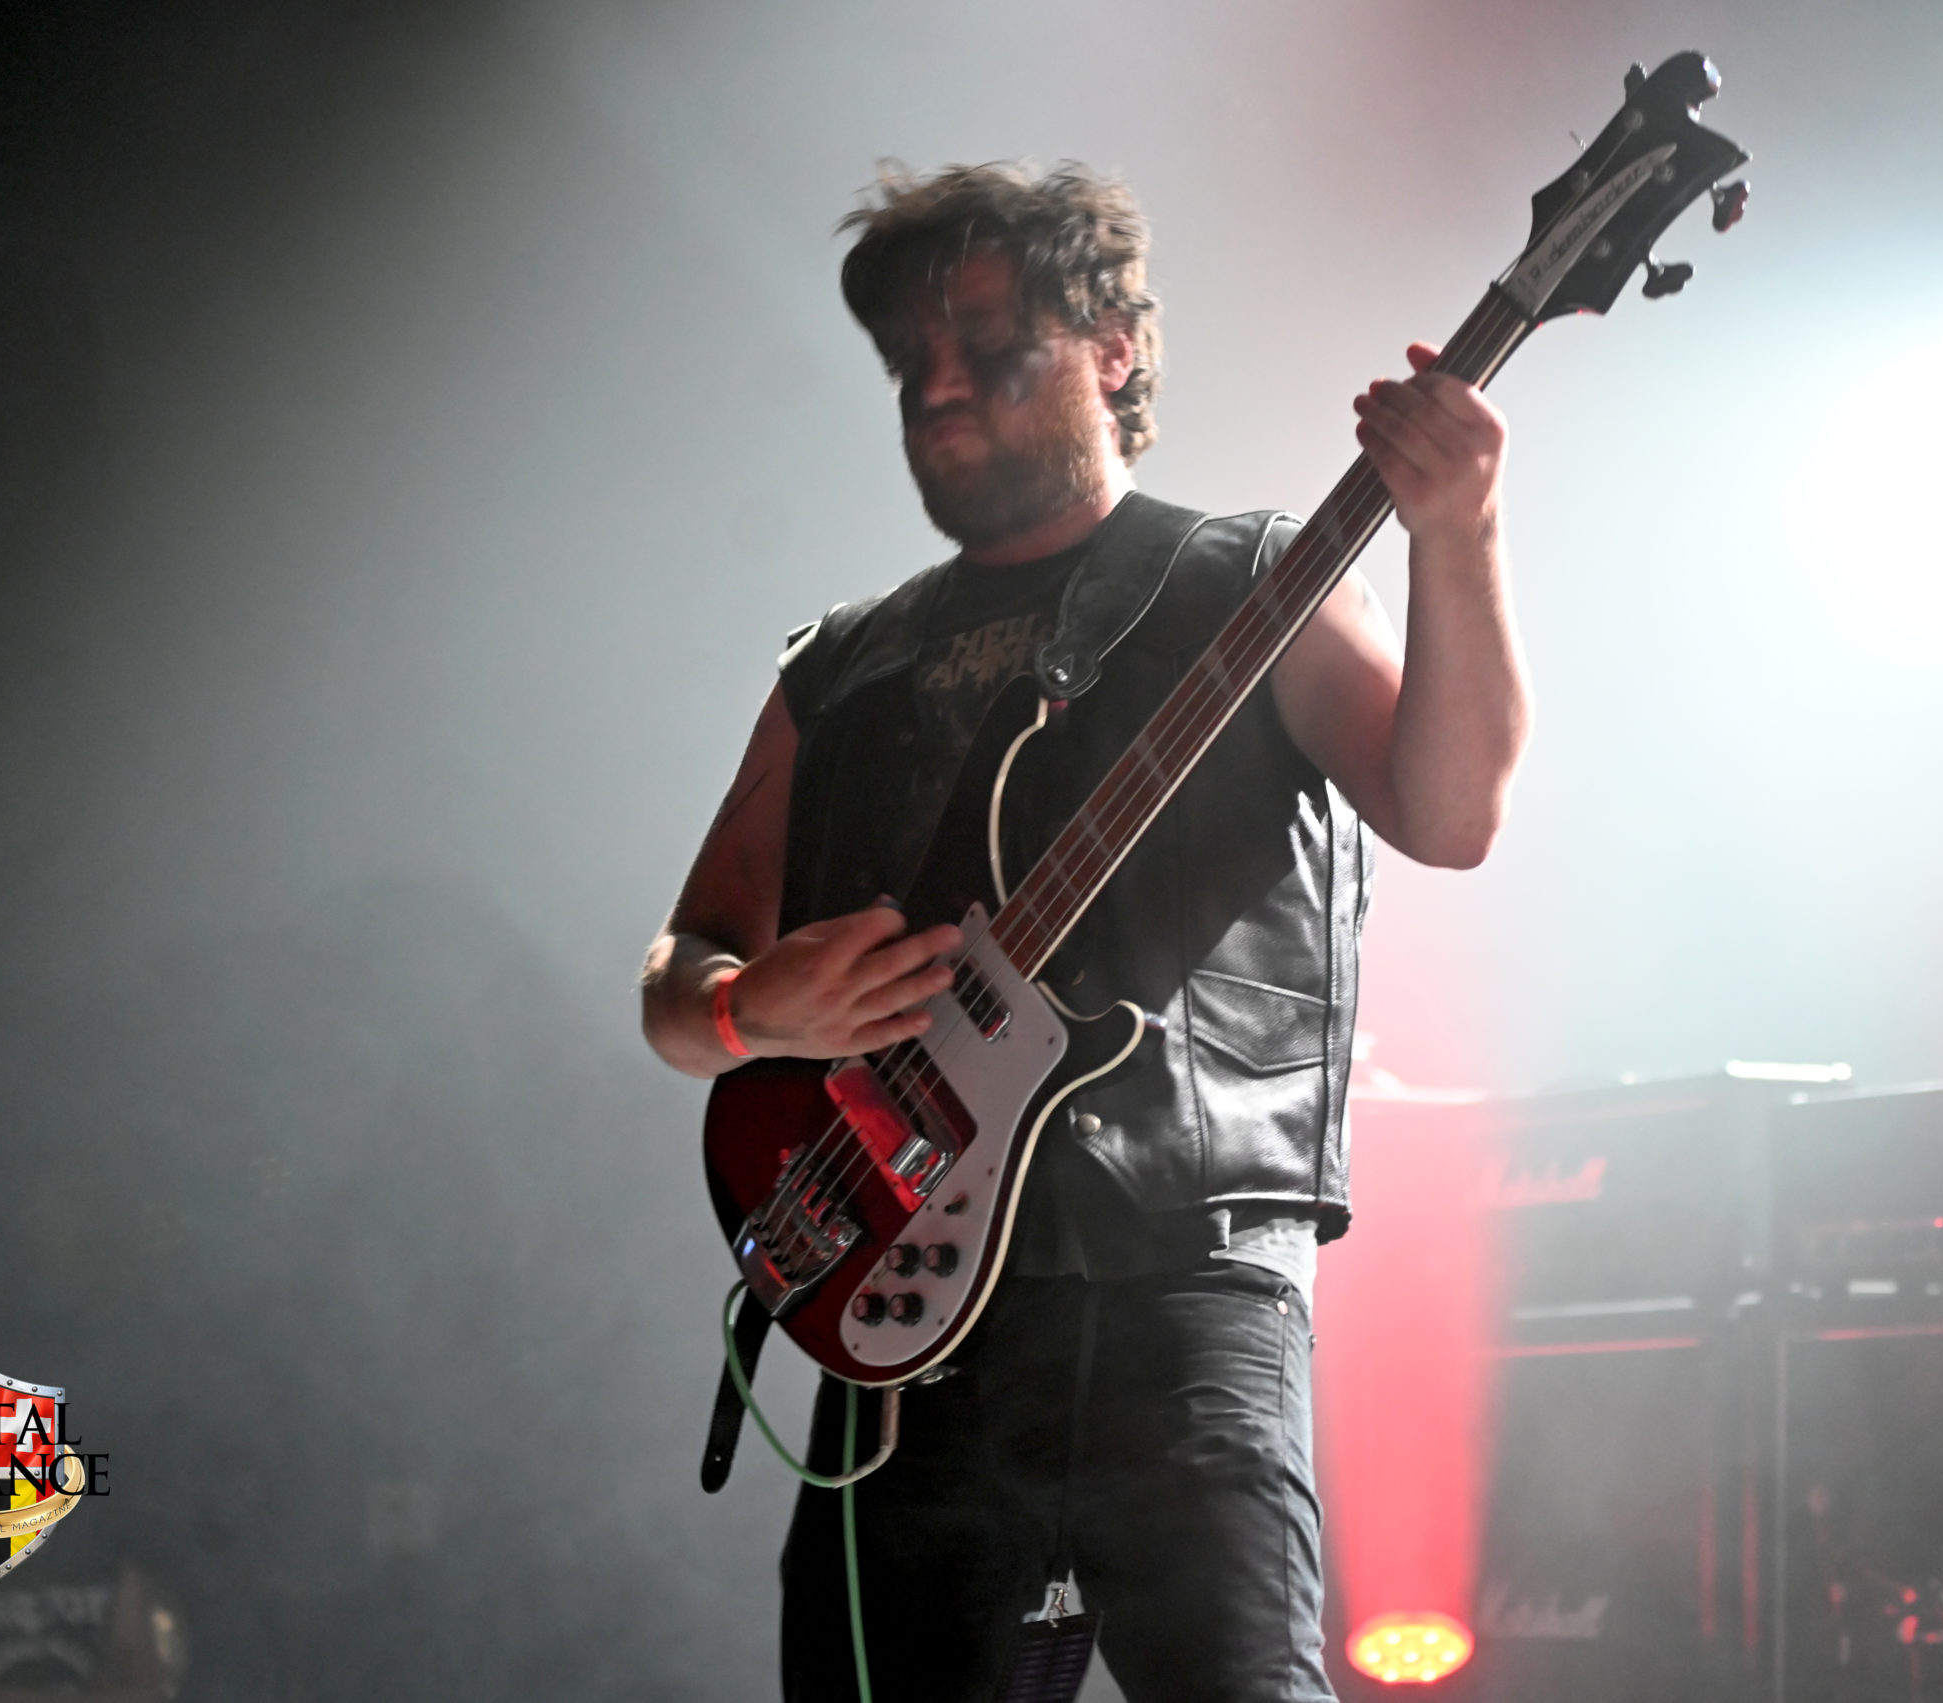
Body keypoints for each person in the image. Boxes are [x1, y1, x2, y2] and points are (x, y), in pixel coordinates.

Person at [641, 162, 1529, 1703]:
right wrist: (749, 1011)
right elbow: (680, 977)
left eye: (989, 345)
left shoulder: (1252, 577)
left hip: (1184, 1284)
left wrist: (1459, 531)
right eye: (912, 361)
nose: (939, 385)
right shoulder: (841, 666)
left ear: (1113, 348)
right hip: (900, 1321)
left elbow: (1452, 816)